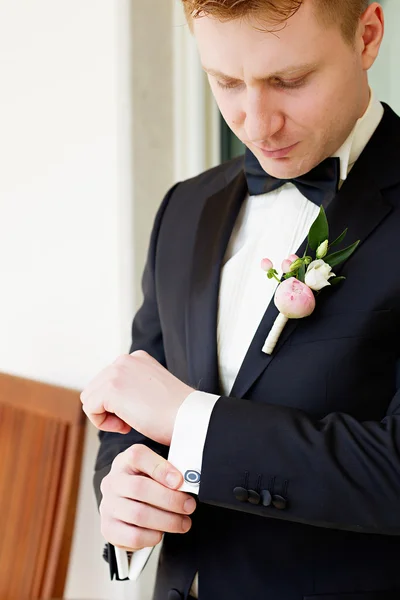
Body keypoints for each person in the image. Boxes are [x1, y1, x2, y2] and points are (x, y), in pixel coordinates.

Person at [80, 1, 400, 598]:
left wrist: (190, 420)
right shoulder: (183, 209)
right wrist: (123, 489)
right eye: (226, 83)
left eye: (289, 80)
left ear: (367, 36)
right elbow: (141, 410)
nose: (254, 125)